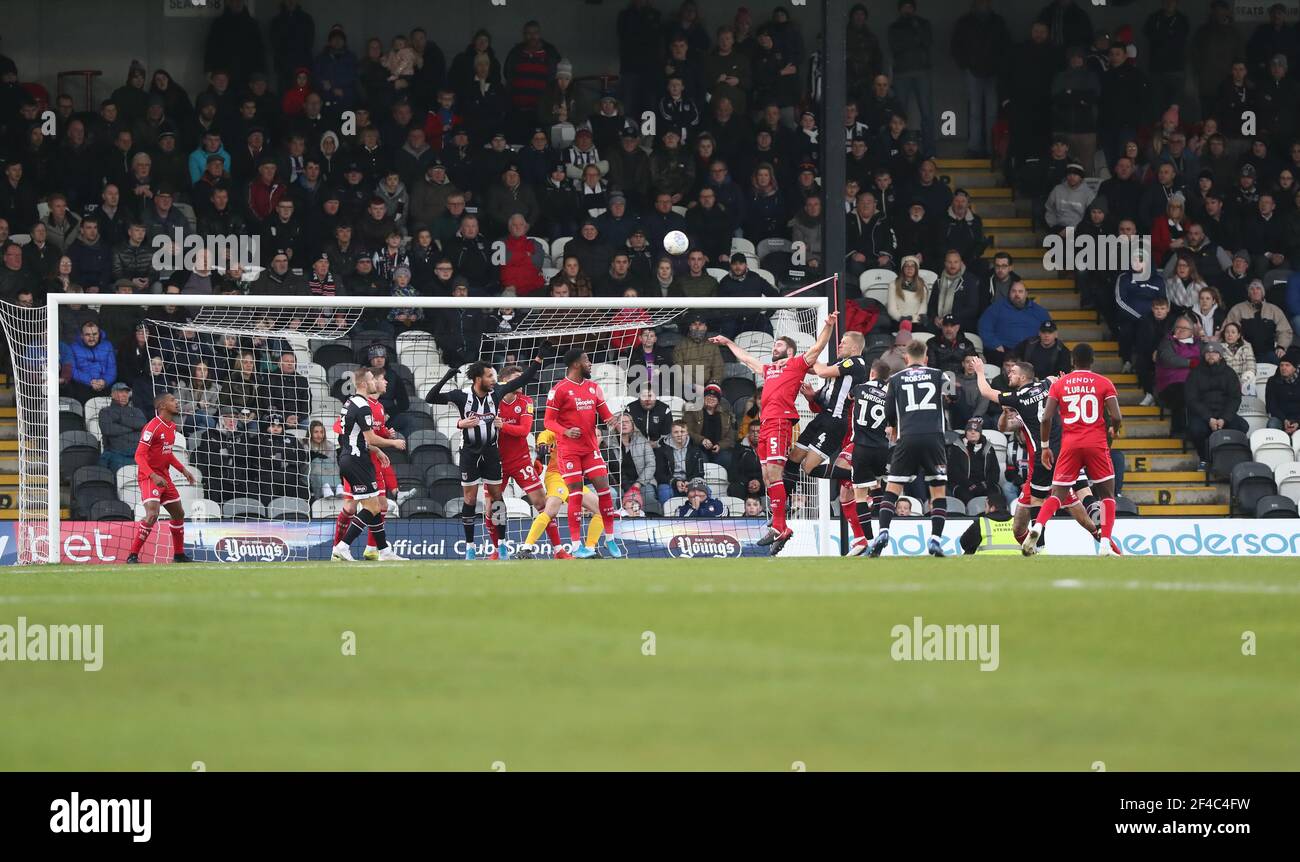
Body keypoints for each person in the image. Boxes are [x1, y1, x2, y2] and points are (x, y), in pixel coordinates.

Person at [715, 313, 838, 555]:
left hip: (781, 421)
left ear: (790, 351)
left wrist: (828, 326)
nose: (774, 347)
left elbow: (817, 347)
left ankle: (781, 527)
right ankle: (779, 525)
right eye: (774, 345)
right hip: (765, 422)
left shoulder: (796, 364)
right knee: (766, 475)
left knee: (774, 471)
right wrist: (729, 343)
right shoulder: (769, 369)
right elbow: (748, 359)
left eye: (779, 345)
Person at [970, 357, 1101, 548]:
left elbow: (986, 392)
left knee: (1048, 504)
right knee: (1020, 526)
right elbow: (1004, 427)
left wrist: (980, 371)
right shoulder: (1047, 384)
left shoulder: (1018, 399)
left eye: (1013, 372)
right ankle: (1098, 529)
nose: (1009, 374)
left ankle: (1041, 546)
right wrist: (1006, 413)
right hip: (1061, 455)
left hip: (1043, 460)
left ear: (1023, 377)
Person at [426, 354, 544, 560]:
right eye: (490, 376)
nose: (494, 380)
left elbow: (523, 379)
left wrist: (538, 358)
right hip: (469, 453)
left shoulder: (497, 392)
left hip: (491, 453)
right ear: (478, 379)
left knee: (497, 498)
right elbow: (431, 397)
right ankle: (470, 546)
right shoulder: (462, 396)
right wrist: (447, 376)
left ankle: (502, 544)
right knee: (470, 498)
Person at [1023, 344, 1122, 556]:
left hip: (1070, 445)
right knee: (1106, 496)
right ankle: (1104, 543)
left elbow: (1046, 417)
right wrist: (1114, 428)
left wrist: (1045, 447)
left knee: (1057, 494)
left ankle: (1038, 527)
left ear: (1072, 361)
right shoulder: (1104, 383)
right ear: (1092, 360)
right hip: (1096, 444)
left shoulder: (1060, 384)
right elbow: (1116, 416)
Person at [867, 338, 950, 558]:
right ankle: (934, 540)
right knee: (938, 492)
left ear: (905, 358)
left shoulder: (895, 378)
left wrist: (893, 426)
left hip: (908, 437)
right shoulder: (938, 374)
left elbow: (888, 410)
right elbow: (952, 397)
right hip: (934, 438)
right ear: (925, 358)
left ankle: (883, 532)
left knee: (893, 488)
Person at [544, 348, 624, 559]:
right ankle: (577, 545)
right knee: (576, 495)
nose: (590, 364)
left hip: (590, 449)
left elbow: (605, 415)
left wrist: (614, 421)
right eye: (587, 360)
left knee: (605, 490)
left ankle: (610, 539)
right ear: (576, 364)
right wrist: (566, 431)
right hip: (569, 451)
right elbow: (548, 422)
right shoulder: (559, 390)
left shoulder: (594, 388)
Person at [331, 368, 407, 562]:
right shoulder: (364, 406)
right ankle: (342, 546)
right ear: (364, 384)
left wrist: (379, 449)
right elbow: (369, 437)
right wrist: (393, 443)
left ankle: (383, 550)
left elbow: (359, 435)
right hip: (357, 460)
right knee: (369, 507)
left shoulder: (351, 402)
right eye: (373, 379)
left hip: (354, 458)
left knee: (376, 505)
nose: (376, 382)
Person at [124, 392, 195, 564]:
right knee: (152, 514)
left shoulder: (171, 427)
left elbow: (167, 453)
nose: (176, 402)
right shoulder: (152, 427)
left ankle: (178, 555)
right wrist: (153, 475)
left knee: (179, 513)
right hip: (149, 477)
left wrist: (183, 470)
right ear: (162, 406)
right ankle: (132, 555)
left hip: (164, 477)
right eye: (172, 400)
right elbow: (139, 456)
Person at [845, 360, 892, 555]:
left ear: (872, 373)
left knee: (860, 496)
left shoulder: (859, 388)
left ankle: (871, 541)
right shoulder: (890, 394)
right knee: (878, 486)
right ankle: (882, 531)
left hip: (862, 447)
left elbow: (848, 399)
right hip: (882, 448)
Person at [1184, 341, 1247, 463]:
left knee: (1242, 426)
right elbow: (1191, 399)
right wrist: (1209, 418)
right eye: (1208, 352)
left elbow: (1235, 398)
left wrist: (1224, 419)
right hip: (1203, 415)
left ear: (1221, 355)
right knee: (1196, 430)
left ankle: (1230, 459)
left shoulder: (1230, 373)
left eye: (1214, 352)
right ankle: (1204, 459)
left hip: (1224, 414)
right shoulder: (1195, 373)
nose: (1211, 355)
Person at [958, 489, 1021, 555]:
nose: (985, 510)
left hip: (987, 562)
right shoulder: (1017, 522)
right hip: (1016, 561)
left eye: (986, 506)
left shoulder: (982, 523)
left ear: (992, 508)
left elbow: (964, 543)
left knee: (969, 552)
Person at [1265, 349, 1300, 433]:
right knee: (1272, 424)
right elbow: (1271, 406)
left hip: (1298, 418)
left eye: (1287, 365)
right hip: (1281, 418)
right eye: (1281, 365)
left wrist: (1298, 422)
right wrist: (1284, 420)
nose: (1284, 368)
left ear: (1295, 368)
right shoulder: (1272, 381)